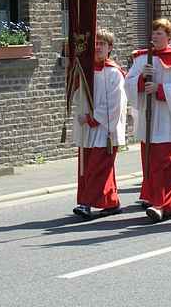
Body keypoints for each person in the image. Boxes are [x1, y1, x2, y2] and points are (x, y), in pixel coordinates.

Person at [126, 18, 171, 222]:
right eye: (153, 33)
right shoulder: (141, 59)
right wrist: (140, 80)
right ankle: (162, 204)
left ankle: (161, 204)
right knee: (152, 166)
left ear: (169, 37)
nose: (155, 37)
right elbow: (127, 85)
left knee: (167, 166)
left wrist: (160, 89)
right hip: (150, 121)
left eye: (160, 33)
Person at [72, 29, 127, 220]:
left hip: (106, 130)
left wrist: (92, 118)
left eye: (102, 44)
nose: (98, 47)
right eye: (95, 43)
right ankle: (111, 202)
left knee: (97, 168)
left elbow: (115, 104)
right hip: (88, 130)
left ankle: (86, 204)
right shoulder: (86, 71)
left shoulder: (114, 73)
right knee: (92, 167)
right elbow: (80, 96)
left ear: (110, 48)